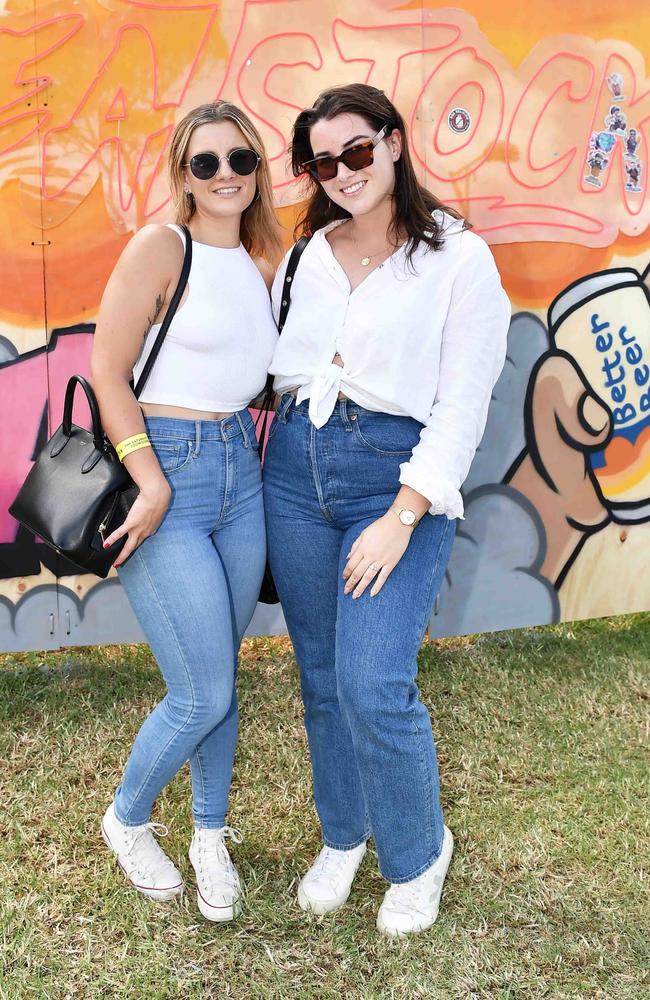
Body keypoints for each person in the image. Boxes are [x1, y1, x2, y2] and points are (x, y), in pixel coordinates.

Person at [263, 84, 511, 936]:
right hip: (295, 469)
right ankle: (343, 835)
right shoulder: (308, 254)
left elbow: (464, 401)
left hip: (395, 478)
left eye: (357, 152)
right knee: (323, 678)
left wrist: (402, 513)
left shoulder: (457, 258)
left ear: (395, 144)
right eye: (322, 162)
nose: (341, 173)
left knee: (375, 681)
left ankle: (416, 852)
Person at [90, 101, 282, 921]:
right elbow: (106, 370)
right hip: (168, 469)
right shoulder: (161, 248)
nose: (226, 175)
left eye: (240, 159)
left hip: (244, 469)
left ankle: (208, 833)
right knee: (199, 689)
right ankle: (127, 819)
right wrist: (152, 477)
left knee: (221, 674)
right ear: (183, 175)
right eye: (206, 163)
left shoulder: (260, 259)